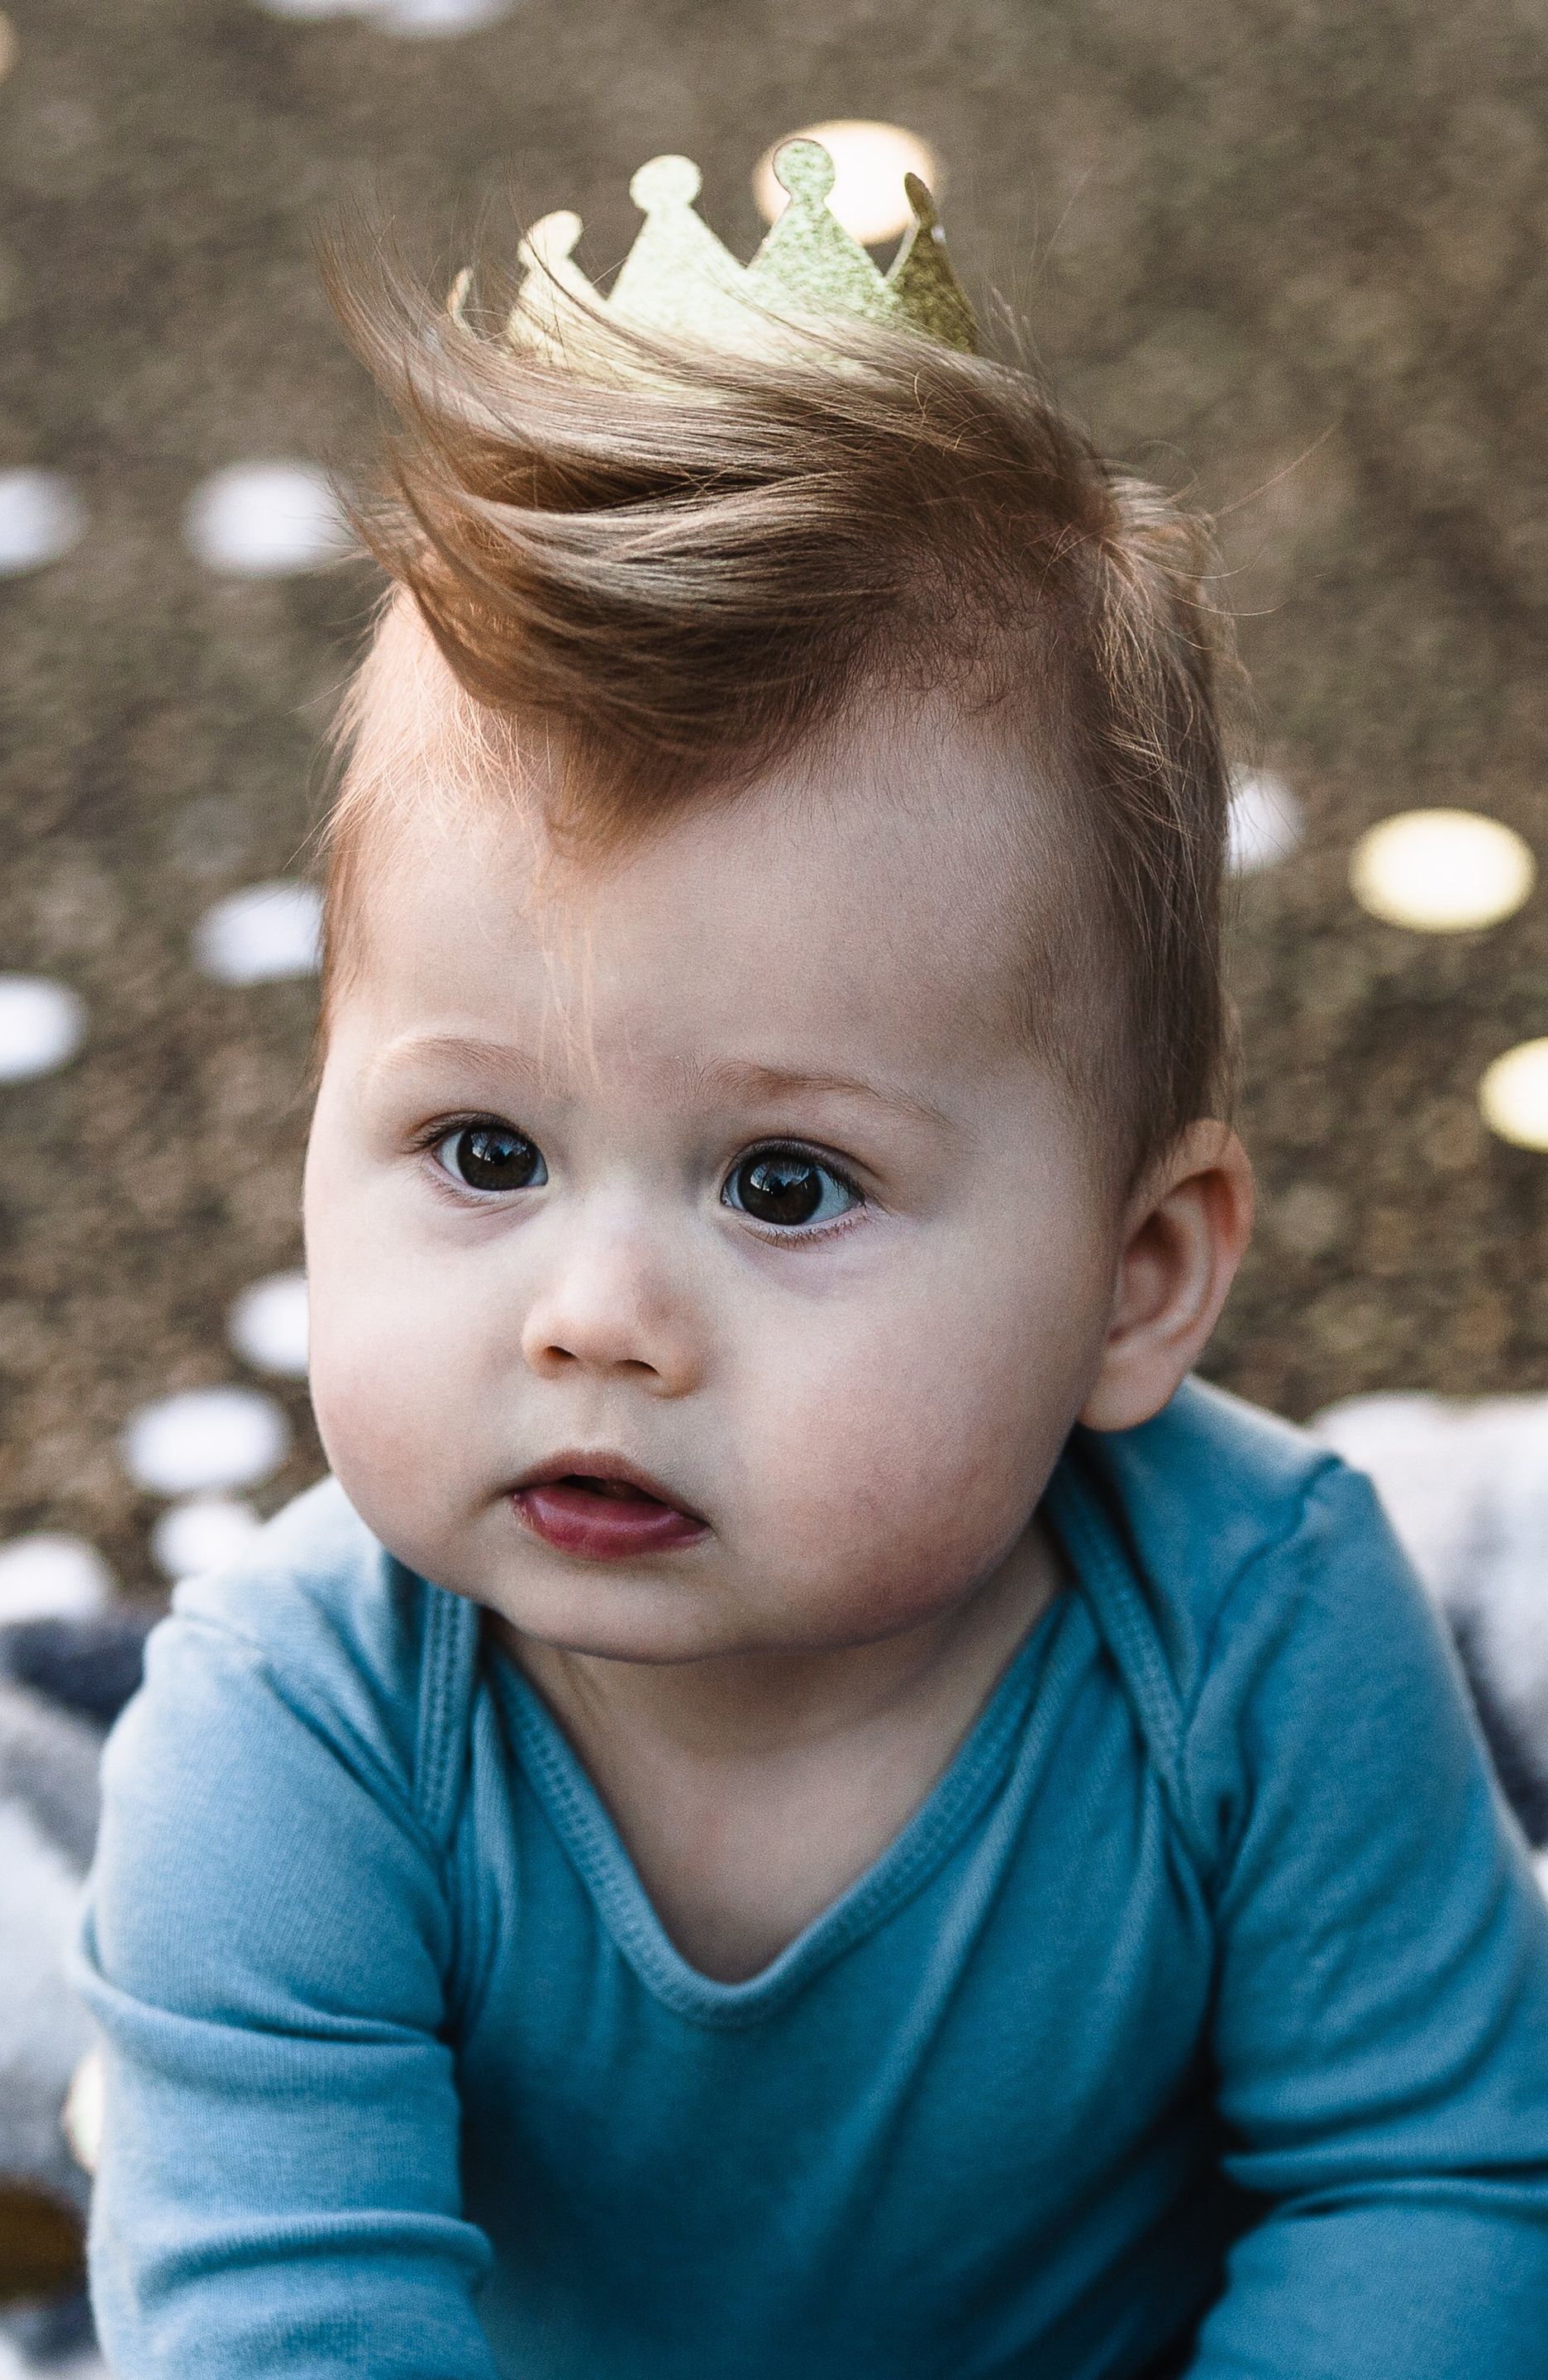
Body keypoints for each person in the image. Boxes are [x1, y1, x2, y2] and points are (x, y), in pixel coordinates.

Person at [77, 150, 1548, 2379]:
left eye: (783, 1186)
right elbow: (284, 2315)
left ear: (1140, 1276)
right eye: (484, 1147)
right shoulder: (300, 1731)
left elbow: (1432, 2185)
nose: (595, 1317)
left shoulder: (1264, 1636)